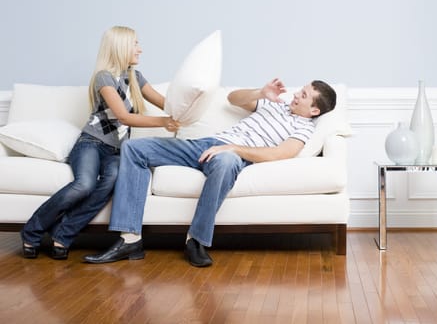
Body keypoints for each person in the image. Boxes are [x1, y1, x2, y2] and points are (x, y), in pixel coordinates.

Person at [83, 78, 336, 267]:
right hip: (206, 144)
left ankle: (196, 240)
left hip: (233, 154)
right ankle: (130, 239)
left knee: (226, 162)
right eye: (300, 91)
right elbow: (233, 99)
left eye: (304, 95)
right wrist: (261, 93)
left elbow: (279, 154)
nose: (297, 95)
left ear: (314, 110)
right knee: (133, 148)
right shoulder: (275, 105)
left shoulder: (303, 128)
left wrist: (233, 148)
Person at [20, 26, 179, 260]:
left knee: (111, 181)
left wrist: (185, 109)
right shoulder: (103, 77)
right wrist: (163, 122)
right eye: (135, 44)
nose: (140, 49)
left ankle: (62, 235)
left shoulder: (135, 76)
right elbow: (123, 116)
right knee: (84, 184)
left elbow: (164, 102)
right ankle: (31, 232)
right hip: (91, 143)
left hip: (116, 150)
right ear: (121, 46)